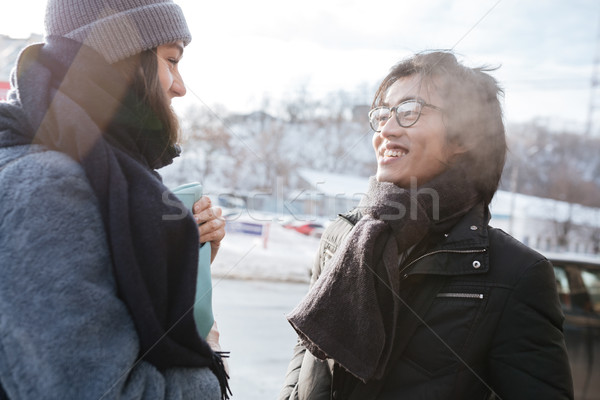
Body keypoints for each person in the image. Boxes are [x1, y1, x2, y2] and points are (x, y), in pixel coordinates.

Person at [279, 51, 573, 400]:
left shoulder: (516, 274)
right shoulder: (342, 235)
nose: (386, 130)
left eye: (409, 112)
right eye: (384, 113)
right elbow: (307, 352)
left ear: (465, 138)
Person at [0, 0, 230, 399]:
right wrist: (208, 355)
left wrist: (182, 261)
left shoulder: (85, 168)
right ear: (119, 63)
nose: (179, 86)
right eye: (171, 60)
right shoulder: (49, 185)